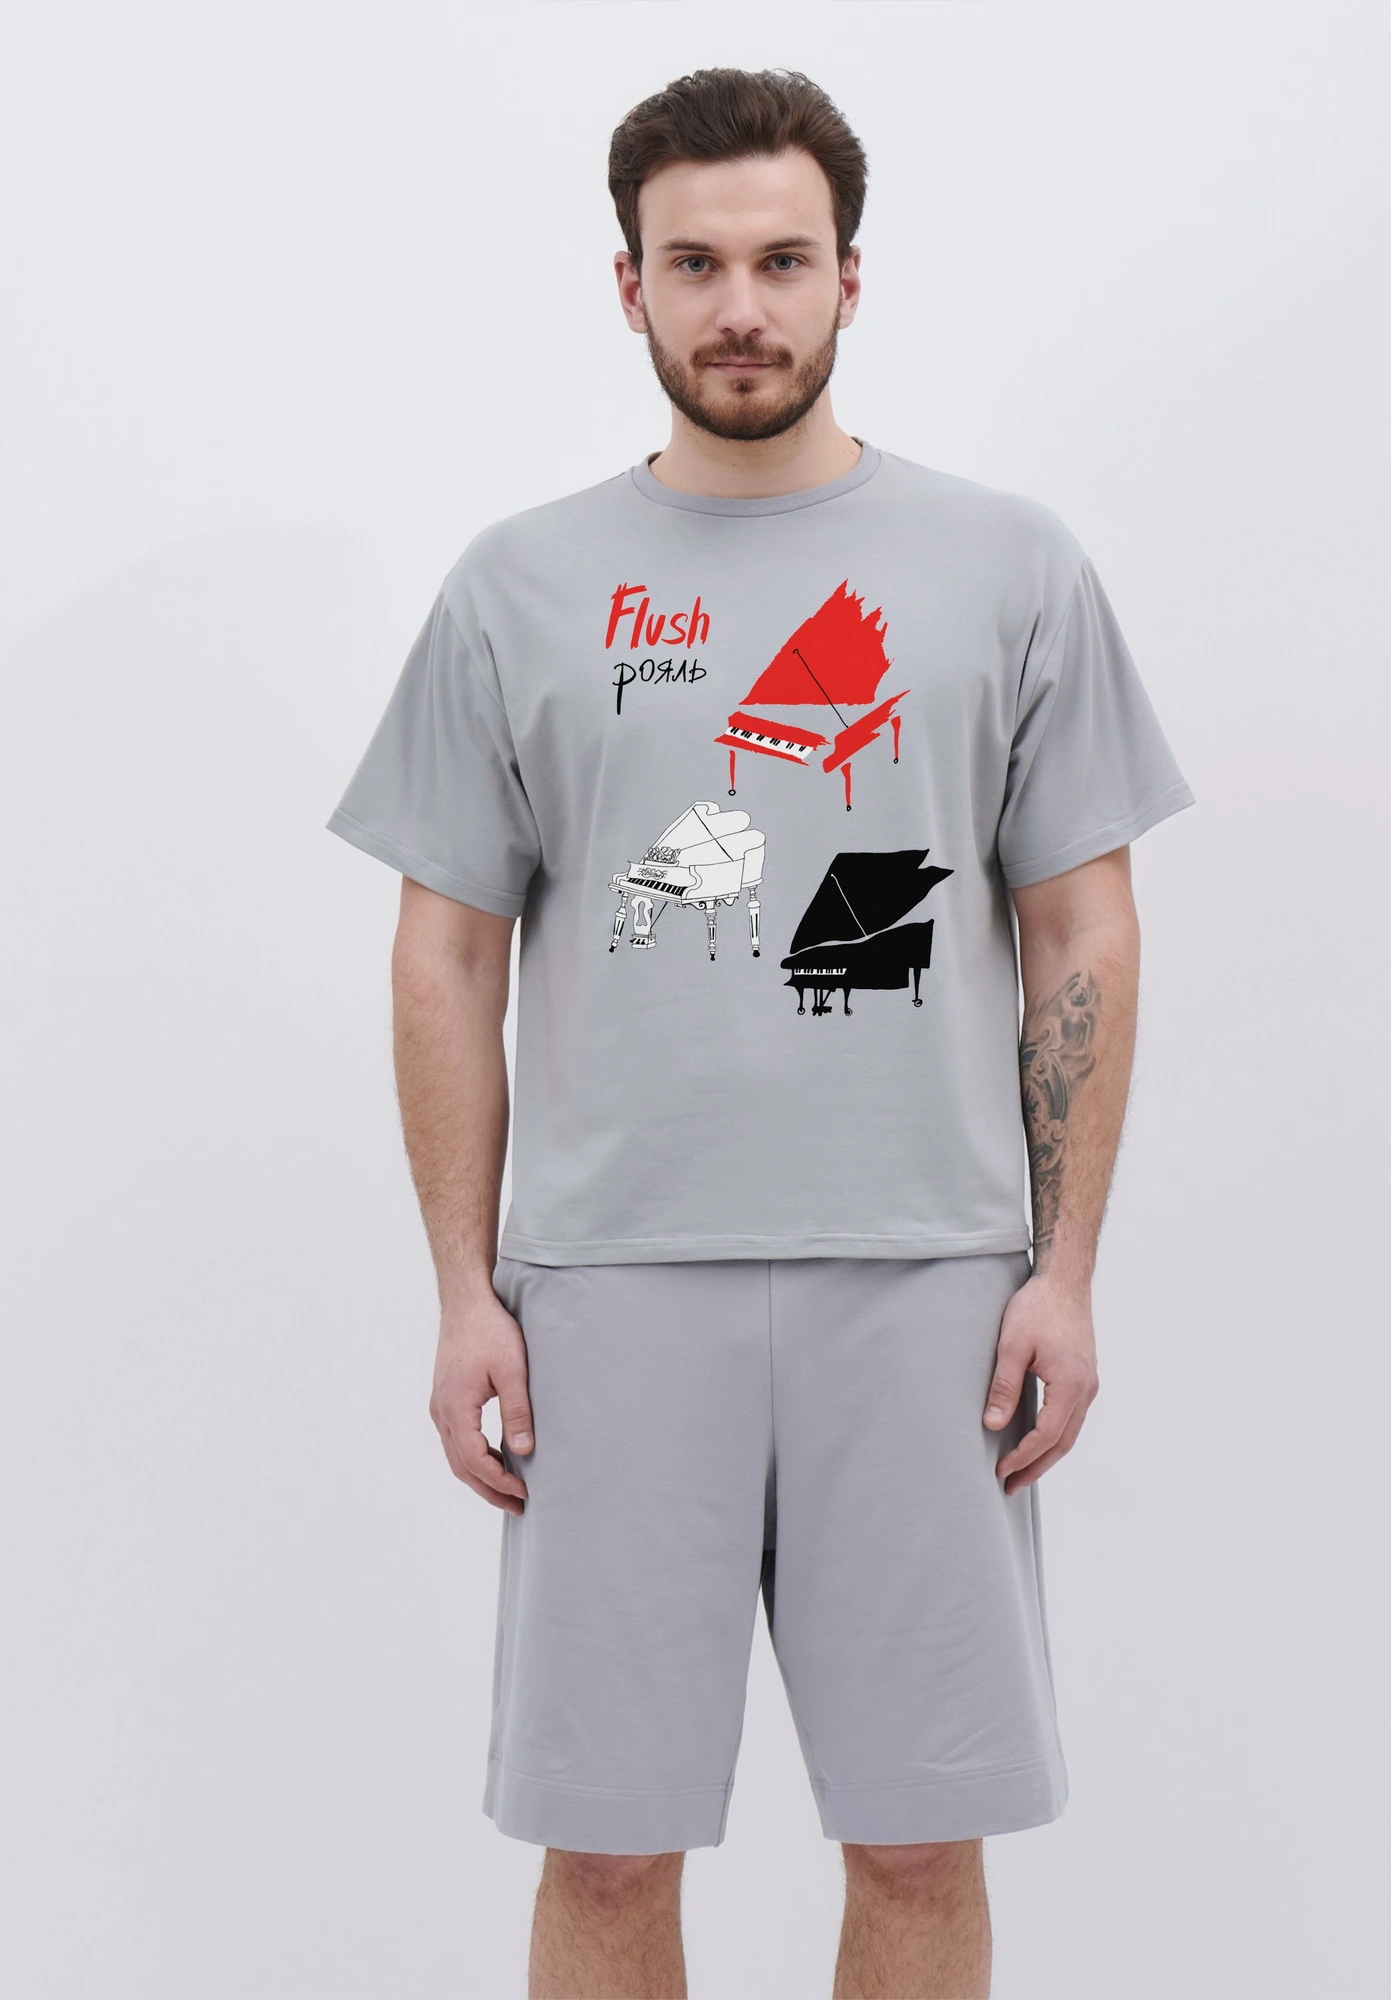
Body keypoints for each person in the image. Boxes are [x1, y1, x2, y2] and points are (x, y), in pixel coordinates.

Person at [327, 65, 1193, 2000]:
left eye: (783, 261)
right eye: (696, 264)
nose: (742, 307)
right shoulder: (518, 586)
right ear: (627, 285)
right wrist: (466, 1293)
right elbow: (445, 955)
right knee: (606, 1852)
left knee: (920, 1835)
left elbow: (1082, 927)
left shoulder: (1008, 565)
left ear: (851, 279)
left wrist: (1063, 1273)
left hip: (931, 1284)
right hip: (612, 1289)